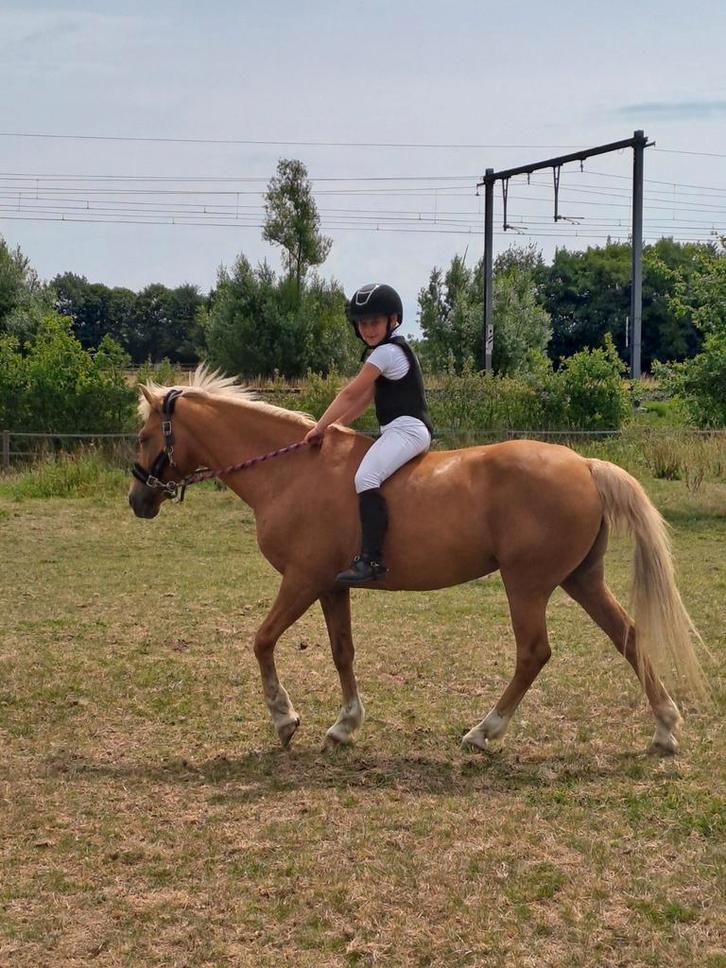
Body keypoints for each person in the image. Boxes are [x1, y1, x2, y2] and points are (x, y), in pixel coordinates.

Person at [304, 283, 433, 585]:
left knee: (365, 478)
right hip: (401, 429)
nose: (368, 329)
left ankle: (371, 560)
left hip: (407, 430)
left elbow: (349, 393)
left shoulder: (386, 353)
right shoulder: (389, 351)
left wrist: (319, 427)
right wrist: (340, 424)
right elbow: (365, 398)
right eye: (362, 324)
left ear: (393, 320)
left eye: (374, 322)